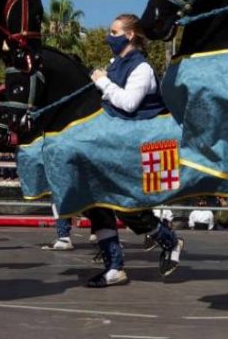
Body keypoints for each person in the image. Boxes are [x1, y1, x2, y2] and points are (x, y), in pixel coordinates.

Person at [85, 14, 183, 288]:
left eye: (113, 31)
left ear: (129, 35)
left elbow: (128, 103)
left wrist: (103, 82)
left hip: (139, 148)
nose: (108, 35)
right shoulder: (116, 64)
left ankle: (169, 240)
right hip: (114, 144)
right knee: (96, 203)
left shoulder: (142, 69)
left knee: (128, 209)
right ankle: (113, 266)